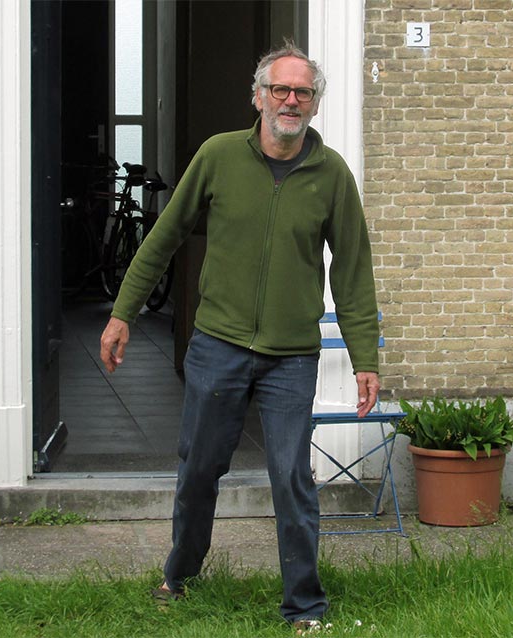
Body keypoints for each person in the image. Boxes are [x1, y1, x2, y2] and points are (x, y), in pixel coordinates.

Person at [100, 42, 380, 631]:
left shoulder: (332, 177)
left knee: (292, 478)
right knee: (199, 468)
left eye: (302, 91)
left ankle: (304, 606)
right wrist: (123, 311)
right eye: (279, 89)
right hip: (218, 346)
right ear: (257, 97)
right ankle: (180, 576)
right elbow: (165, 235)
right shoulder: (218, 156)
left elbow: (353, 271)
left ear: (315, 103)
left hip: (291, 359)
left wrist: (365, 358)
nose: (290, 100)